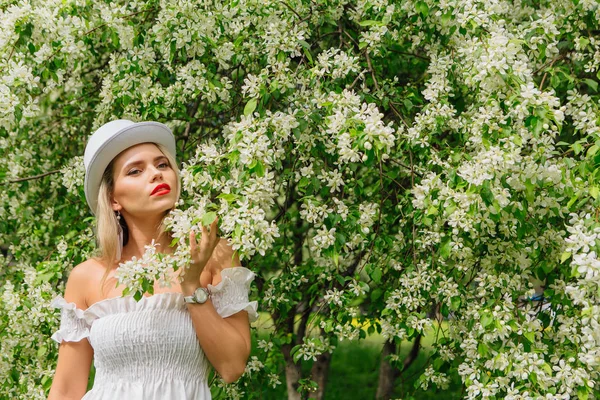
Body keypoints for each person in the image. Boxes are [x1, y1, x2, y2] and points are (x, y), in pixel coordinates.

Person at [47, 119, 258, 400]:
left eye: (162, 165)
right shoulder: (87, 276)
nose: (156, 175)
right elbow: (66, 389)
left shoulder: (215, 253)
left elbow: (232, 367)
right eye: (135, 170)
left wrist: (192, 286)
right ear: (112, 199)